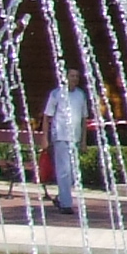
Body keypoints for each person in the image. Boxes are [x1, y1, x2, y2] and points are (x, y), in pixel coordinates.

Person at [43, 77, 87, 218]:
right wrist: (45, 138)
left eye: (76, 76)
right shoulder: (56, 94)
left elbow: (84, 119)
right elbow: (47, 116)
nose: (74, 79)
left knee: (73, 173)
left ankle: (61, 197)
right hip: (60, 136)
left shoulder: (80, 95)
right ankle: (66, 204)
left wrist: (83, 141)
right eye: (72, 76)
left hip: (75, 137)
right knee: (64, 171)